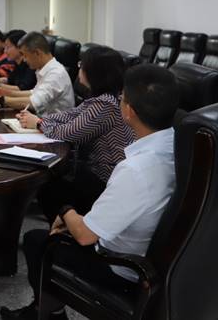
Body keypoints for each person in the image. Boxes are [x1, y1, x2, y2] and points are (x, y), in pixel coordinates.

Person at [0, 64, 179, 320]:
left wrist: (66, 211)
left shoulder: (136, 170)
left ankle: (48, 313)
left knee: (37, 241)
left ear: (128, 111)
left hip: (120, 266)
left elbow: (85, 236)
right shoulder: (178, 147)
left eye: (122, 98)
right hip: (154, 258)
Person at [17, 46, 135, 222]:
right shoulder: (101, 99)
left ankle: (64, 230)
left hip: (105, 179)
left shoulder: (106, 105)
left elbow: (69, 132)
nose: (79, 68)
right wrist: (38, 120)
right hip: (93, 171)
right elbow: (68, 116)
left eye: (81, 65)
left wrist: (39, 123)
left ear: (94, 73)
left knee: (48, 186)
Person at [0, 31, 74, 115]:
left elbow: (34, 102)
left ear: (37, 53)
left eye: (25, 55)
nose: (24, 60)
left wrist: (1, 100)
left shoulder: (56, 74)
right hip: (42, 120)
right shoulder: (44, 69)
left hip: (53, 125)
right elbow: (34, 93)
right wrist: (8, 93)